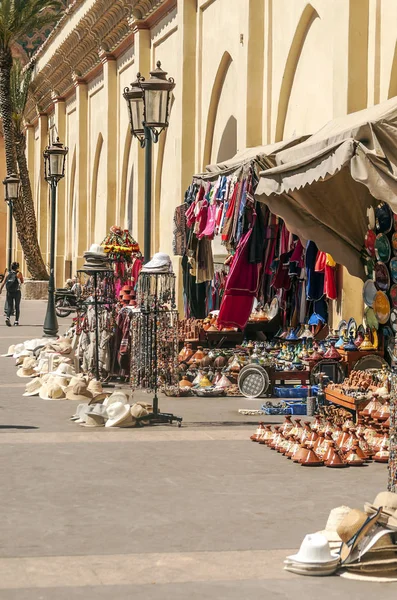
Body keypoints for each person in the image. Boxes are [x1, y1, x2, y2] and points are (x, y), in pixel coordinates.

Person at [0, 262, 24, 326]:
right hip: (17, 292)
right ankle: (16, 321)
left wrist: (0, 289)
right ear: (17, 267)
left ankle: (7, 317)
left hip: (9, 292)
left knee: (10, 306)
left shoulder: (7, 273)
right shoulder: (19, 273)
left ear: (11, 267)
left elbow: (3, 282)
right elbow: (22, 281)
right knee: (17, 306)